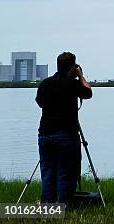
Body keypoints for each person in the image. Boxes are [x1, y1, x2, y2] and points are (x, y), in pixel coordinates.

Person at [36, 51, 92, 204]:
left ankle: (47, 208)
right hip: (66, 134)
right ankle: (63, 207)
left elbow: (40, 103)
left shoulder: (45, 83)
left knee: (47, 173)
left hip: (45, 134)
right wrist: (80, 76)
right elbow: (88, 92)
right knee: (65, 174)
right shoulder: (73, 84)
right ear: (72, 67)